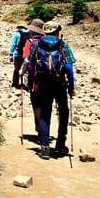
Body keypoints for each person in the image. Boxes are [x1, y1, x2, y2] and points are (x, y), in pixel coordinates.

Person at [24, 20, 75, 159]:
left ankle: (45, 148)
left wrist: (33, 82)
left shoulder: (37, 45)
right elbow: (69, 68)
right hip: (60, 85)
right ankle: (60, 144)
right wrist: (71, 88)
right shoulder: (63, 45)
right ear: (57, 31)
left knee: (45, 115)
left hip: (43, 85)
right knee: (63, 112)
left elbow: (30, 65)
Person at [8, 24, 30, 88]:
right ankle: (27, 84)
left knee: (17, 69)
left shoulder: (17, 34)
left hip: (18, 53)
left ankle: (15, 83)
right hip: (27, 54)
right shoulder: (29, 34)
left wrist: (11, 54)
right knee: (26, 69)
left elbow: (13, 44)